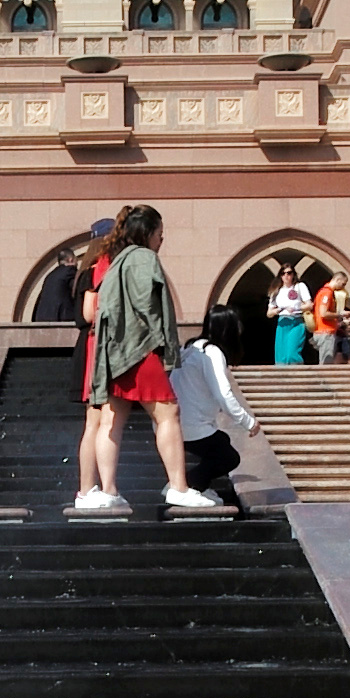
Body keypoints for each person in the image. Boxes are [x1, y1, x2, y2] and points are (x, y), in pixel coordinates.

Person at [74, 203, 222, 517]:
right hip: (139, 350)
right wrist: (160, 340)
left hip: (113, 353)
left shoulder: (114, 262)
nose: (161, 240)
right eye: (159, 233)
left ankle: (109, 490)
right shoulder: (142, 258)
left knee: (111, 421)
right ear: (148, 233)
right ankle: (179, 487)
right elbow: (146, 303)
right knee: (168, 412)